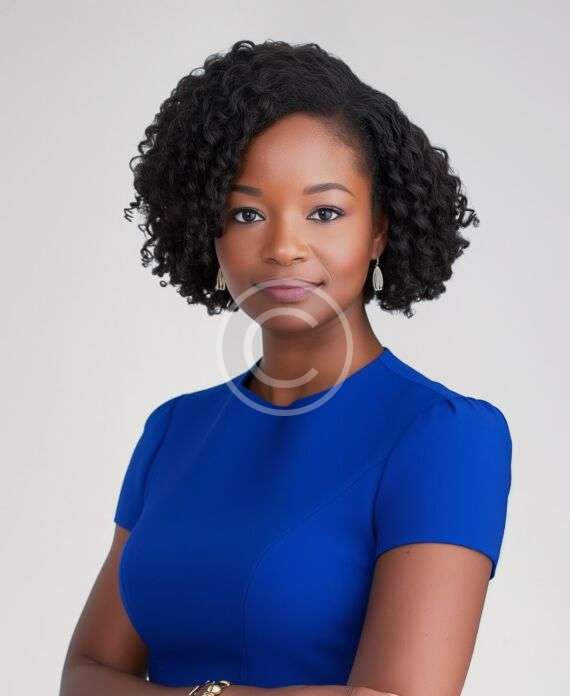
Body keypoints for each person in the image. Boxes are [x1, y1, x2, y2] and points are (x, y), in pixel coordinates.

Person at [59, 39, 512, 696]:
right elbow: (83, 676)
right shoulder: (174, 431)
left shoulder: (446, 437)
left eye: (324, 212)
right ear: (210, 231)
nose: (283, 247)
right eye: (247, 213)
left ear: (379, 230)